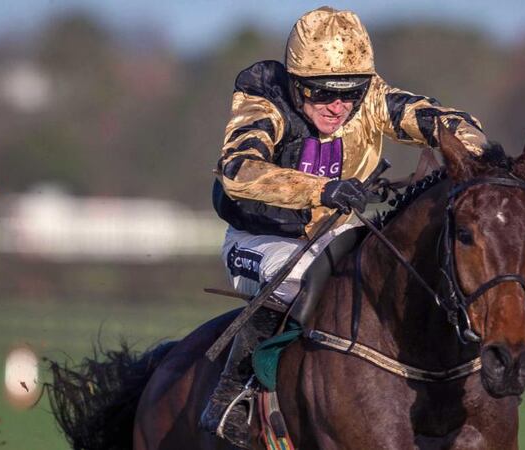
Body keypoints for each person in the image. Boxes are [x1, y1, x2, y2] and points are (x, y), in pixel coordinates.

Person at [203, 6, 489, 447]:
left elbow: (439, 120)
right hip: (260, 240)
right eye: (322, 94)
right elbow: (239, 170)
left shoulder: (371, 102)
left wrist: (480, 157)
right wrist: (322, 190)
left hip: (331, 234)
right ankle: (236, 394)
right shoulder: (264, 103)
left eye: (350, 93)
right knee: (303, 280)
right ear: (297, 86)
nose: (338, 107)